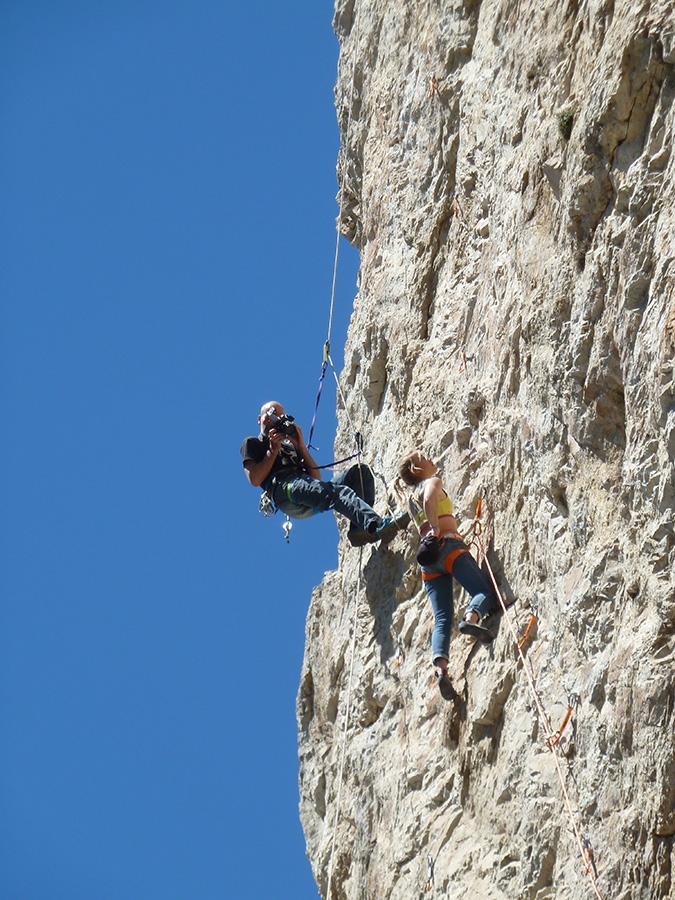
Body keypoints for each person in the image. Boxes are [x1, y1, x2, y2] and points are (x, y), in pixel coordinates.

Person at [393, 450, 498, 702]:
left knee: (442, 618)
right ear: (417, 470)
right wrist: (437, 529)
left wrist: (429, 533)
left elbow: (422, 509)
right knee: (483, 593)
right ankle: (471, 618)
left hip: (428, 563)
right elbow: (431, 498)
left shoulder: (409, 500)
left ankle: (441, 670)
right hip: (446, 544)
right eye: (423, 457)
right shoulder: (431, 483)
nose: (430, 457)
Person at [241, 401, 408, 546]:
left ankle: (358, 531)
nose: (273, 420)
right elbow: (255, 479)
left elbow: (316, 480)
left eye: (279, 416)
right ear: (259, 419)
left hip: (303, 486)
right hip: (284, 488)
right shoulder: (253, 443)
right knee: (337, 493)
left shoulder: (289, 447)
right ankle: (377, 526)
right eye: (270, 415)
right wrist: (272, 451)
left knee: (359, 472)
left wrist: (300, 447)